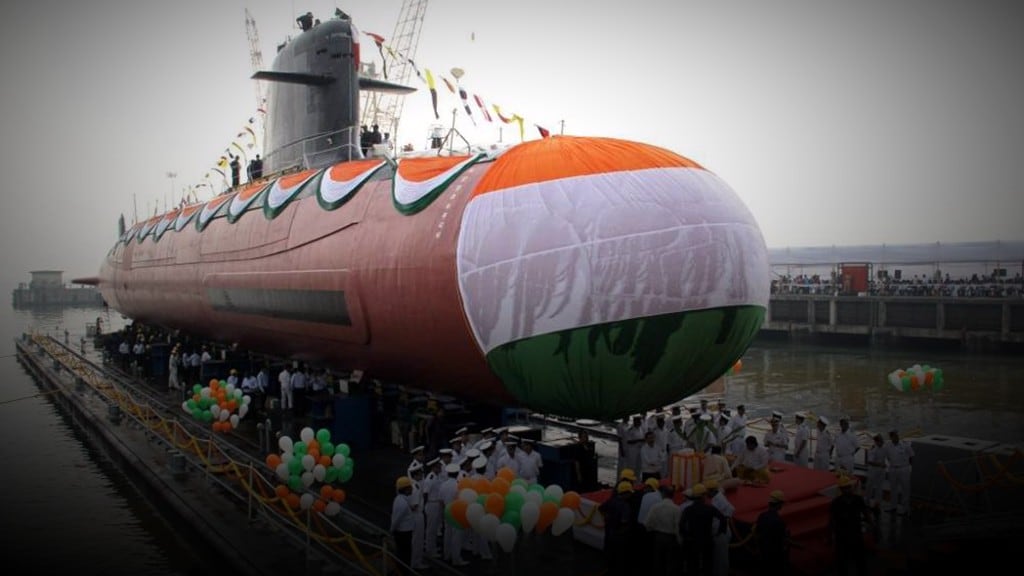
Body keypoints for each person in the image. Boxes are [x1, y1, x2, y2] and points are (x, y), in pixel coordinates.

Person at [829, 475, 873, 576]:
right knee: (842, 560)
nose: (848, 490)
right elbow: (831, 520)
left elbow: (865, 512)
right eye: (845, 488)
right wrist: (830, 535)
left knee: (860, 558)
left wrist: (871, 524)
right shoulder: (836, 502)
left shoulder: (858, 499)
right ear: (841, 489)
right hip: (842, 534)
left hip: (855, 532)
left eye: (848, 487)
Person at [678, 483, 727, 575]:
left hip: (692, 541)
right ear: (703, 496)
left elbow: (681, 525)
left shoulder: (688, 509)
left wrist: (686, 536)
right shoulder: (710, 509)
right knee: (707, 565)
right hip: (707, 540)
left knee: (692, 565)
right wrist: (719, 532)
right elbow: (723, 519)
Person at [598, 481, 636, 576]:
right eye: (629, 493)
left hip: (609, 533)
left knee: (610, 555)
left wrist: (607, 517)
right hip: (620, 536)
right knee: (620, 559)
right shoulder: (625, 506)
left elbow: (601, 508)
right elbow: (624, 521)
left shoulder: (612, 500)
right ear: (625, 493)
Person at [643, 484, 681, 576]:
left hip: (658, 537)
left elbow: (647, 524)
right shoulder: (676, 509)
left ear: (663, 494)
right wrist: (679, 541)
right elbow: (678, 527)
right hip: (671, 538)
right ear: (673, 495)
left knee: (658, 562)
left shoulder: (655, 507)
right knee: (670, 562)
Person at [755, 490, 790, 576]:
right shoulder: (779, 522)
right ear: (779, 504)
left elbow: (758, 532)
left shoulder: (762, 516)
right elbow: (783, 541)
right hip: (775, 555)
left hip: (764, 553)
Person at [706, 479, 734, 576]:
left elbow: (730, 510)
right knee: (718, 558)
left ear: (712, 491)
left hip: (721, 533)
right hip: (719, 531)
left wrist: (722, 522)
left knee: (721, 558)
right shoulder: (717, 497)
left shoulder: (719, 499)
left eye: (707, 491)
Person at [884, 429, 914, 515]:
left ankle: (905, 509)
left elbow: (912, 456)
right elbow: (887, 457)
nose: (896, 437)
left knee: (905, 489)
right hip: (893, 468)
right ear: (891, 437)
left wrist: (908, 466)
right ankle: (893, 507)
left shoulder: (905, 445)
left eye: (896, 435)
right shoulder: (888, 445)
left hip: (903, 468)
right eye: (893, 436)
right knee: (893, 488)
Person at [390, 476, 415, 573]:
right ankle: (402, 572)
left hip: (404, 533)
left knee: (404, 555)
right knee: (404, 556)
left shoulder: (401, 499)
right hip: (403, 534)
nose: (412, 489)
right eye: (410, 487)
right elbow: (396, 519)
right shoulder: (402, 502)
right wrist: (392, 530)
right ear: (406, 489)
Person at [865, 434, 886, 512]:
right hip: (873, 470)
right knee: (869, 486)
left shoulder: (884, 448)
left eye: (882, 440)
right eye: (880, 441)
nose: (882, 442)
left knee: (879, 487)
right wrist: (880, 464)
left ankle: (877, 503)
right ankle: (866, 502)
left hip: (881, 470)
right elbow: (870, 461)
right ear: (877, 442)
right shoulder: (873, 449)